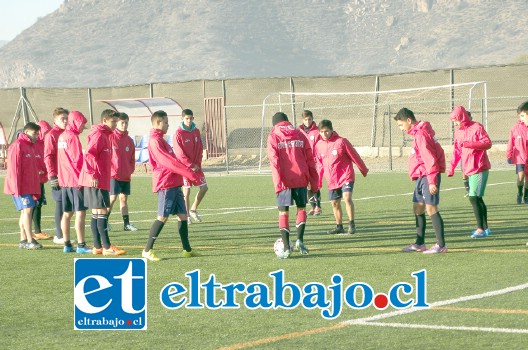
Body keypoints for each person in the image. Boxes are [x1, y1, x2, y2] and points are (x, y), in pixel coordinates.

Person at [142, 110, 202, 261]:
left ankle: (187, 249)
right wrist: (190, 174)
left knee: (183, 216)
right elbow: (168, 163)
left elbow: (174, 161)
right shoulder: (155, 141)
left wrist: (188, 172)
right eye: (166, 122)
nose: (168, 125)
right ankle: (147, 250)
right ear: (157, 123)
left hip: (174, 182)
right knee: (162, 217)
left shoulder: (162, 140)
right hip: (165, 183)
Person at [393, 108, 447, 254]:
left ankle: (441, 245)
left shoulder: (421, 134)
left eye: (400, 125)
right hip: (420, 177)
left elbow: (430, 159)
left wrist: (432, 181)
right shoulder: (419, 133)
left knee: (431, 209)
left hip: (427, 176)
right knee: (418, 208)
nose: (401, 128)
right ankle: (419, 243)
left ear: (408, 120)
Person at [268, 112, 319, 259]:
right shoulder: (299, 133)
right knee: (301, 209)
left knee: (283, 213)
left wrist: (278, 183)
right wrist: (313, 181)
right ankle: (300, 241)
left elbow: (274, 161)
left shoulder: (274, 135)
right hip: (301, 178)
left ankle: (286, 248)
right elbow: (310, 158)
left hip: (284, 180)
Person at [79, 109, 124, 256]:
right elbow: (89, 154)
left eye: (116, 121)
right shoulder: (99, 135)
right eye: (113, 121)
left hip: (99, 179)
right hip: (95, 179)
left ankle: (98, 246)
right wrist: (92, 174)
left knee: (96, 213)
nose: (115, 124)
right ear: (104, 120)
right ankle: (106, 247)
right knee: (102, 211)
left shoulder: (105, 135)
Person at [315, 119, 369, 235]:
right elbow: (319, 164)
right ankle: (339, 226)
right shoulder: (318, 145)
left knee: (347, 198)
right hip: (332, 179)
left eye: (326, 131)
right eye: (322, 132)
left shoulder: (341, 142)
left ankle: (351, 223)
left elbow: (354, 156)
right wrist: (318, 181)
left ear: (331, 130)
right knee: (334, 203)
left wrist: (363, 169)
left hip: (346, 175)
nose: (324, 134)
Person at [447, 105, 492, 239]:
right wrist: (451, 168)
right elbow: (456, 151)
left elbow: (488, 143)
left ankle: (480, 229)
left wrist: (470, 144)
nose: (454, 123)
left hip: (480, 167)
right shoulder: (458, 132)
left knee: (473, 197)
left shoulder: (477, 127)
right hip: (468, 168)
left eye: (456, 120)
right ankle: (485, 228)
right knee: (477, 198)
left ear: (461, 117)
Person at [4, 122, 43, 250]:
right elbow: (14, 169)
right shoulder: (18, 146)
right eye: (34, 133)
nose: (36, 136)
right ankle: (30, 240)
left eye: (37, 133)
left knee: (25, 212)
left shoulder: (31, 146)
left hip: (28, 186)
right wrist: (16, 189)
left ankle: (23, 239)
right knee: (27, 211)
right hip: (20, 187)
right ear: (26, 132)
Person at [57, 111, 91, 254]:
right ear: (76, 123)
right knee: (80, 213)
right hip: (75, 181)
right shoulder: (73, 138)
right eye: (82, 124)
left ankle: (66, 244)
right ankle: (81, 245)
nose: (83, 127)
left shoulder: (62, 136)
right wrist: (83, 178)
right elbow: (77, 161)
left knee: (66, 213)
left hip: (64, 181)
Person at [172, 109, 208, 224]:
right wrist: (190, 165)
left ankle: (193, 209)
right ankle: (186, 215)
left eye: (191, 118)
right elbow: (179, 153)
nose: (189, 120)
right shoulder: (178, 133)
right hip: (185, 168)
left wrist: (197, 164)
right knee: (186, 192)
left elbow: (199, 149)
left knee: (204, 188)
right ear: (182, 119)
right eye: (187, 118)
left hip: (196, 167)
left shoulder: (196, 131)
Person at [107, 112, 138, 231]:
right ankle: (104, 221)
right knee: (112, 197)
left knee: (123, 199)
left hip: (125, 175)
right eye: (122, 123)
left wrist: (130, 169)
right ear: (117, 123)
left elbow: (131, 158)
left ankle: (126, 224)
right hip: (113, 174)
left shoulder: (129, 140)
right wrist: (111, 169)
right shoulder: (110, 137)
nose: (124, 125)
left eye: (126, 123)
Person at [43, 107, 69, 244]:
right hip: (58, 175)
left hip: (68, 175)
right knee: (60, 203)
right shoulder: (51, 135)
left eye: (66, 118)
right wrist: (52, 175)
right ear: (55, 120)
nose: (65, 121)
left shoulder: (68, 134)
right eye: (62, 119)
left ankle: (64, 233)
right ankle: (59, 235)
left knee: (67, 205)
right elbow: (48, 156)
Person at [298, 110, 323, 215]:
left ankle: (318, 206)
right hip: (303, 162)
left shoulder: (317, 131)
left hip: (315, 163)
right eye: (305, 119)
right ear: (302, 120)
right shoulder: (298, 132)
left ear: (313, 119)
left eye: (309, 119)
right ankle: (313, 207)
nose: (308, 121)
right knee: (307, 185)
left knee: (315, 185)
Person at [31, 120, 53, 241]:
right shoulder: (33, 144)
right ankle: (31, 233)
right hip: (34, 180)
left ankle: (37, 231)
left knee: (38, 205)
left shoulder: (44, 143)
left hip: (41, 179)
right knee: (32, 205)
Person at [506, 101, 528, 204]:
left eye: (523, 116)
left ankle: (526, 195)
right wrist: (509, 155)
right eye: (520, 116)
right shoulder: (515, 129)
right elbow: (511, 143)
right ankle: (519, 193)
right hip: (520, 157)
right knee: (521, 176)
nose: (521, 118)